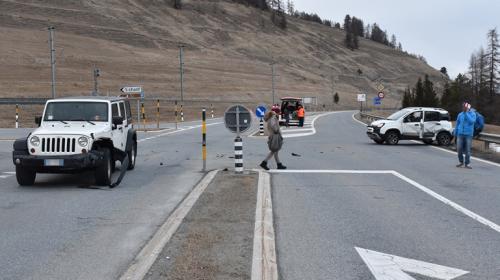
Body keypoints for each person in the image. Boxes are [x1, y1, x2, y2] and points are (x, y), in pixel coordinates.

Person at [455, 102, 476, 169]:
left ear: (468, 108)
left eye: (465, 107)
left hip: (468, 135)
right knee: (459, 149)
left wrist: (466, 113)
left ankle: (467, 164)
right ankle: (461, 162)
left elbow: (472, 121)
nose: (463, 108)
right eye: (463, 107)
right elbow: (457, 124)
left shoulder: (473, 114)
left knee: (467, 150)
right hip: (460, 134)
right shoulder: (460, 114)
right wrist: (456, 132)